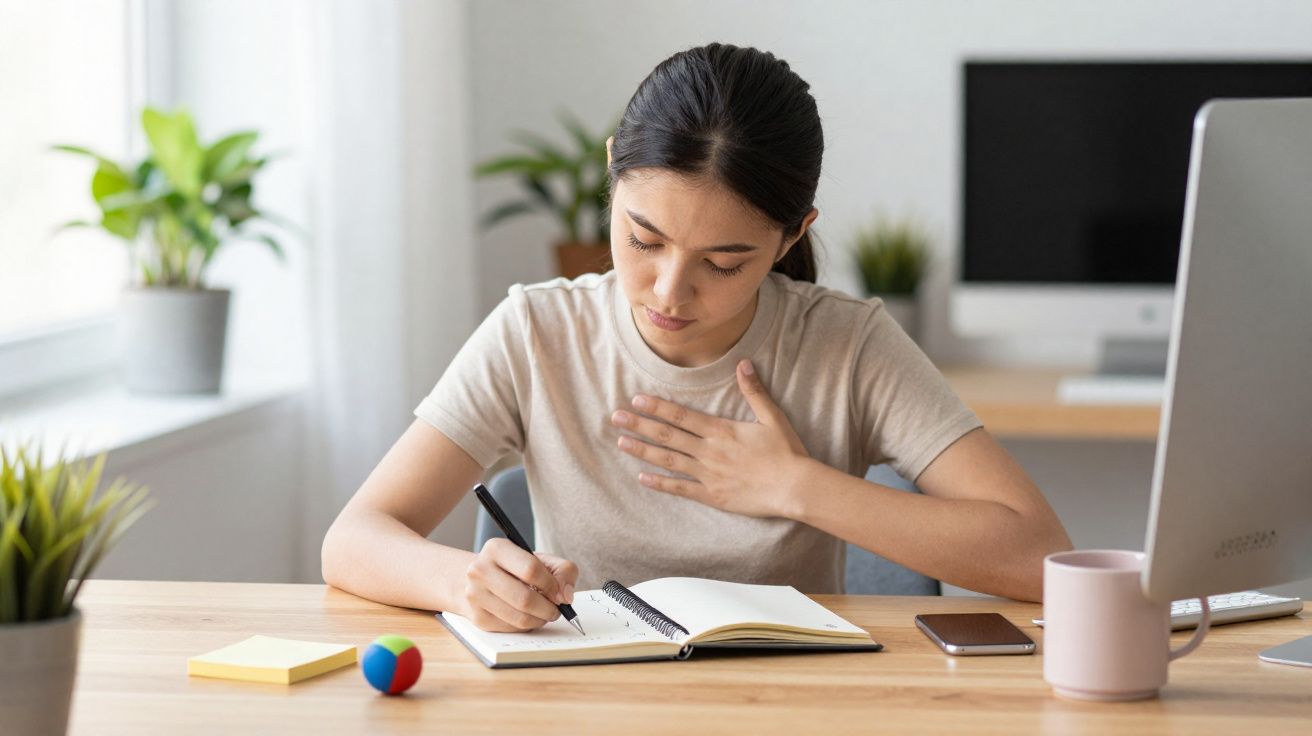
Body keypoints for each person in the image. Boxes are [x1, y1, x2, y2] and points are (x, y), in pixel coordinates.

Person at [321, 43, 1072, 633]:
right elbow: (353, 538)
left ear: (792, 236)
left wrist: (797, 486)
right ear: (612, 172)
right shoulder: (538, 333)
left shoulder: (847, 345)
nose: (668, 291)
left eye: (724, 262)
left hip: (790, 706)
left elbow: (1040, 557)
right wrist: (464, 582)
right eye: (643, 240)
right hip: (590, 702)